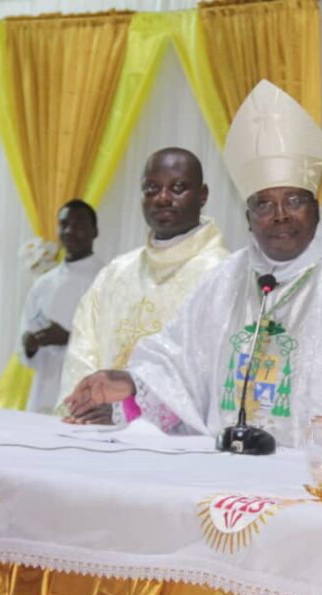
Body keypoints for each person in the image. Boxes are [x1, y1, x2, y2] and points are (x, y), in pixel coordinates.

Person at [64, 80, 322, 447]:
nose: (280, 215)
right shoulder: (226, 280)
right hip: (223, 470)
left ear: (316, 208)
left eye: (294, 200)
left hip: (315, 471)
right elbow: (177, 366)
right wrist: (132, 384)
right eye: (264, 204)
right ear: (247, 217)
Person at [57, 148, 229, 419]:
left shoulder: (224, 274)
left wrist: (126, 411)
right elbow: (82, 351)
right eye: (151, 188)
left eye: (177, 188)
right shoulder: (116, 273)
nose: (162, 198)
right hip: (94, 433)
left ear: (203, 195)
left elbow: (215, 372)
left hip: (179, 440)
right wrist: (86, 403)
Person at [17, 200, 103, 412]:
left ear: (95, 231)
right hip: (45, 390)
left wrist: (68, 339)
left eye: (78, 224)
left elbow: (117, 343)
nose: (69, 231)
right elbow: (25, 338)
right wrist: (29, 345)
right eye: (64, 224)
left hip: (90, 394)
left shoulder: (107, 280)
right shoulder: (43, 284)